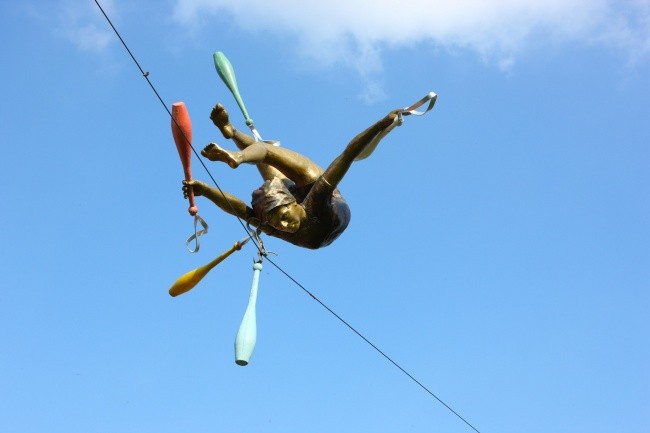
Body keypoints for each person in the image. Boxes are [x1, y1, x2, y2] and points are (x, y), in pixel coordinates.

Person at [183, 103, 401, 249]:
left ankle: (236, 147)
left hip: (308, 200)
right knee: (280, 162)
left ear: (293, 202)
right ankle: (233, 137)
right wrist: (381, 125)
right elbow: (349, 155)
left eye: (283, 218)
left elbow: (349, 154)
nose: (284, 226)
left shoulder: (285, 216)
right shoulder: (306, 209)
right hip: (328, 210)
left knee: (268, 157)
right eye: (279, 223)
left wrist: (205, 190)